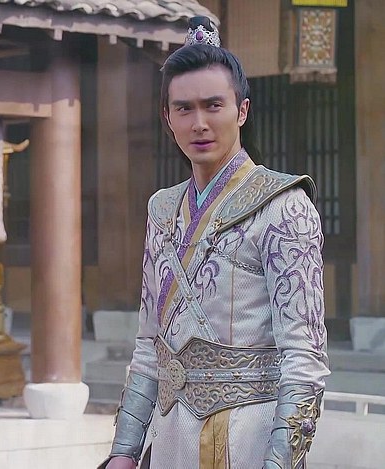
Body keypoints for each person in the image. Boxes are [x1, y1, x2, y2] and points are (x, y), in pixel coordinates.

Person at [99, 16, 330, 469]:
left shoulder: (284, 205)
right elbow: (149, 344)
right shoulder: (162, 210)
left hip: (248, 437)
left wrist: (279, 462)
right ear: (168, 118)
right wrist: (124, 451)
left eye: (213, 105)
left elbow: (305, 356)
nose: (199, 123)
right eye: (184, 109)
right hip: (171, 436)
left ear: (241, 111)